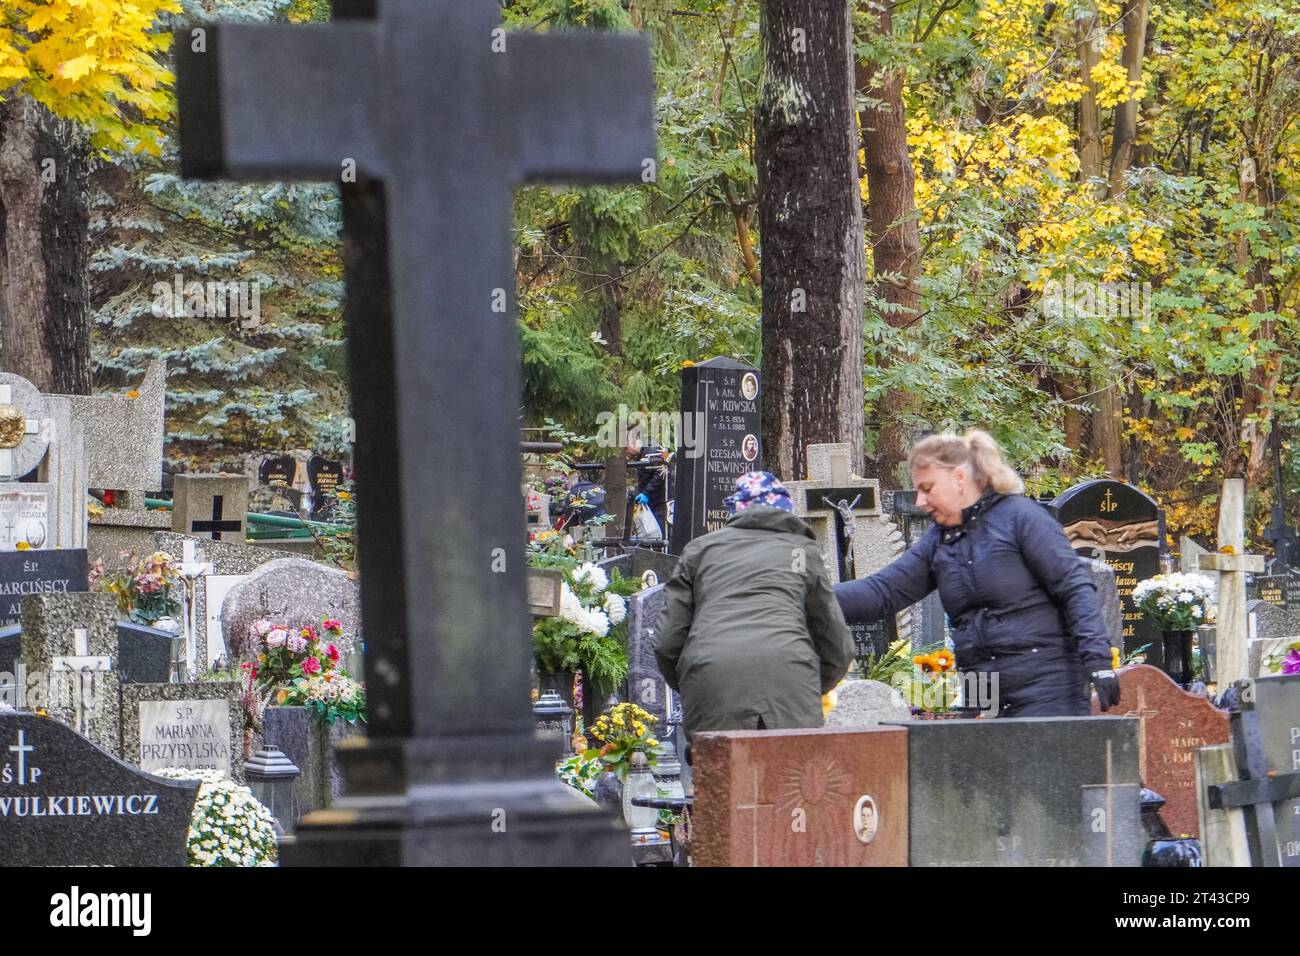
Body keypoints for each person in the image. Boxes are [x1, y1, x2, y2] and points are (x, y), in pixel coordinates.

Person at [835, 430, 1120, 717]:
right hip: (983, 688)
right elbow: (883, 592)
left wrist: (1098, 661)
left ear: (959, 478)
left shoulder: (1021, 518)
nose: (920, 501)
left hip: (1045, 687)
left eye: (928, 488)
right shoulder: (938, 541)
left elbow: (1074, 588)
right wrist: (807, 597)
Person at [654, 471, 854, 740]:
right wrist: (809, 684)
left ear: (736, 509)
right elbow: (836, 643)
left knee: (720, 776)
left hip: (713, 677)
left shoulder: (699, 551)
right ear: (787, 511)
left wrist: (695, 680)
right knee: (791, 776)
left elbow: (667, 640)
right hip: (790, 676)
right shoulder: (801, 552)